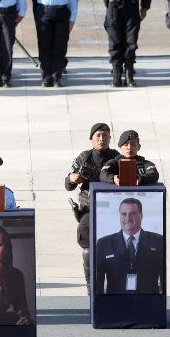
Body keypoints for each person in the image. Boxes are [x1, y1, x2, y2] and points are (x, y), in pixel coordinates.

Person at [65, 123, 121, 292]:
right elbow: (68, 184)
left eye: (105, 135)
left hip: (112, 211)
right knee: (88, 249)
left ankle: (113, 287)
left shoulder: (117, 158)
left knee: (113, 251)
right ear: (91, 139)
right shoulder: (84, 157)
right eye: (98, 135)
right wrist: (72, 178)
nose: (101, 139)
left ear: (110, 138)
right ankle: (91, 287)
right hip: (89, 210)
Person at [20, 0, 77, 87]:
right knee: (44, 44)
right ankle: (46, 76)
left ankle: (56, 76)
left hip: (62, 12)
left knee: (60, 45)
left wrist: (72, 18)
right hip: (44, 12)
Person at [95, 197, 164, 294]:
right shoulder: (104, 244)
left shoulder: (158, 241)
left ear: (141, 215)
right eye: (124, 214)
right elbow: (98, 283)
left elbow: (164, 278)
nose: (127, 218)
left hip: (148, 304)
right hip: (116, 305)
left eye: (132, 214)